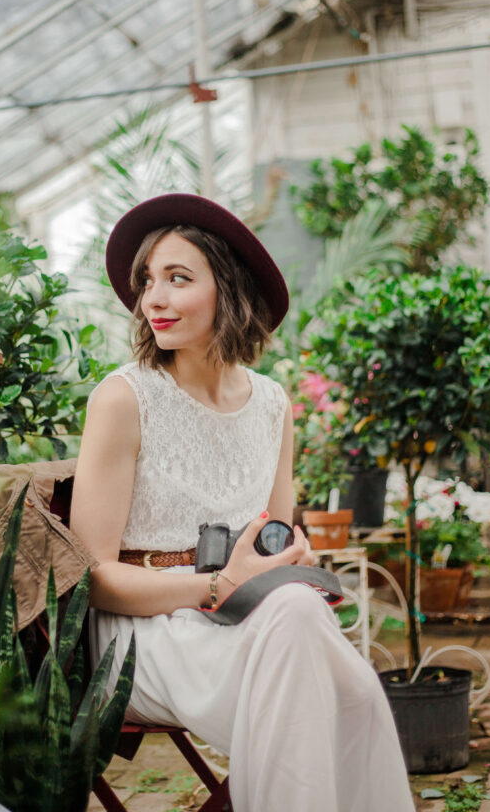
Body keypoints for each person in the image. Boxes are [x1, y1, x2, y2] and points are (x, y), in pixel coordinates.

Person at [70, 193, 414, 812]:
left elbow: (272, 539)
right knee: (321, 688)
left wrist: (290, 559)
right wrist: (213, 586)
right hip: (142, 633)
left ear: (228, 290)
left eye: (178, 278)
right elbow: (93, 577)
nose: (153, 299)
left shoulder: (273, 403)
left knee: (347, 685)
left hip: (252, 618)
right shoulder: (123, 399)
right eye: (148, 280)